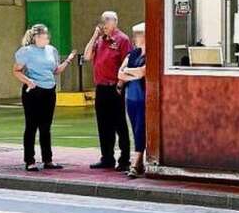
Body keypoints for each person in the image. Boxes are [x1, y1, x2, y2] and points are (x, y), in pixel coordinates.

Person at [13, 24, 76, 172]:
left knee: (46, 127)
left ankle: (48, 159)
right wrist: (28, 81)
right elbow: (16, 70)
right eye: (43, 37)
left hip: (49, 90)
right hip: (33, 91)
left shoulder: (52, 50)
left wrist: (68, 60)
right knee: (31, 126)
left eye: (47, 36)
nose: (46, 39)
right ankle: (30, 160)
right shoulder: (26, 52)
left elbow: (55, 70)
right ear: (35, 37)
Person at [84, 11, 132, 171]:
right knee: (103, 125)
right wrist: (94, 36)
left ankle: (125, 159)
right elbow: (87, 56)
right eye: (101, 21)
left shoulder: (122, 40)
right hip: (101, 87)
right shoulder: (99, 40)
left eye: (106, 21)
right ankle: (107, 157)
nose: (103, 24)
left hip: (115, 87)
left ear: (115, 22)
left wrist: (120, 83)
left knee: (119, 124)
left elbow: (128, 64)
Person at [118, 22, 146, 178]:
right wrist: (131, 73)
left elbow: (143, 72)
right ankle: (140, 160)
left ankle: (136, 163)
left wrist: (128, 72)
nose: (135, 38)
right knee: (135, 128)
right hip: (131, 98)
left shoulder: (151, 55)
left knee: (140, 128)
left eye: (139, 34)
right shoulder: (133, 54)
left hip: (143, 98)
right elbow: (120, 75)